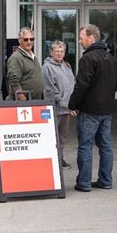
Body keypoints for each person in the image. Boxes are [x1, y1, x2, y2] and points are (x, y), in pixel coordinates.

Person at [68, 24, 117, 192]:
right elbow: (115, 84)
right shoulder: (111, 58)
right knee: (105, 146)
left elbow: (81, 85)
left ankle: (83, 183)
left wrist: (73, 104)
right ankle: (106, 180)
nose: (79, 41)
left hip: (89, 111)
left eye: (82, 37)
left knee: (85, 146)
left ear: (91, 38)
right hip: (107, 110)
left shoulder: (88, 59)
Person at [41, 40, 76, 169]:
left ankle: (60, 158)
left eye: (62, 51)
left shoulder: (67, 65)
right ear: (51, 52)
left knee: (62, 137)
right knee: (53, 136)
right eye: (57, 51)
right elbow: (49, 89)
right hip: (55, 109)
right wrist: (65, 105)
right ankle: (52, 160)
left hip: (66, 109)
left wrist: (72, 104)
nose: (59, 54)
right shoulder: (47, 67)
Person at [5, 27, 44, 100]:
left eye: (31, 39)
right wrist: (24, 102)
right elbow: (14, 83)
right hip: (23, 106)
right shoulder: (16, 58)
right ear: (19, 40)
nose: (29, 42)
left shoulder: (33, 56)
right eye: (26, 39)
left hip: (35, 103)